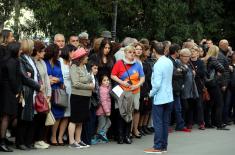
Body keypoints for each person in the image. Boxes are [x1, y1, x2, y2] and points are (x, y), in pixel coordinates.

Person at [111, 45, 145, 144]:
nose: (132, 54)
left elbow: (142, 77)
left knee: (131, 113)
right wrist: (122, 82)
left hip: (135, 91)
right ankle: (120, 136)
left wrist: (137, 85)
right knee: (122, 113)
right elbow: (113, 75)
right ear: (125, 53)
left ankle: (127, 135)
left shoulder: (138, 64)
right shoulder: (119, 63)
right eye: (130, 52)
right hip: (123, 92)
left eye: (133, 52)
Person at [144, 42, 173, 154]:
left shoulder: (158, 64)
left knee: (158, 122)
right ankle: (163, 146)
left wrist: (150, 94)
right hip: (169, 96)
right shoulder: (169, 61)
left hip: (160, 97)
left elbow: (156, 84)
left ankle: (157, 146)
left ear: (154, 51)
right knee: (165, 122)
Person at [16, 39, 42, 150]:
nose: (33, 49)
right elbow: (25, 77)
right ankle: (20, 142)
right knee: (23, 118)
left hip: (34, 92)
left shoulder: (30, 59)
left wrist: (40, 82)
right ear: (28, 47)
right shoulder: (21, 59)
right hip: (27, 91)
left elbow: (36, 74)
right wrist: (38, 86)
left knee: (32, 118)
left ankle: (28, 141)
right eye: (32, 47)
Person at [68, 48, 94, 148]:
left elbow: (84, 79)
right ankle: (71, 141)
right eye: (85, 56)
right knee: (74, 119)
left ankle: (78, 140)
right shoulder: (74, 66)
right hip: (77, 96)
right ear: (81, 58)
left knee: (81, 120)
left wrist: (86, 79)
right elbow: (75, 83)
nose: (87, 57)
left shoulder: (84, 67)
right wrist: (89, 85)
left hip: (85, 96)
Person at [0, 42, 22, 152]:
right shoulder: (13, 62)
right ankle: (2, 141)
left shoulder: (6, 60)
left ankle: (3, 139)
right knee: (6, 116)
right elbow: (13, 79)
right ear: (14, 50)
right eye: (19, 49)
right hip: (9, 91)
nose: (21, 51)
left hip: (5, 90)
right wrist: (17, 91)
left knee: (7, 116)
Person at [44, 44, 65, 145]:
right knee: (46, 113)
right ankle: (44, 137)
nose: (59, 54)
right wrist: (48, 80)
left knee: (58, 114)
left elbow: (61, 77)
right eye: (58, 52)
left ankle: (53, 136)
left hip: (56, 91)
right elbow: (42, 75)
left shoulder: (58, 63)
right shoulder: (44, 61)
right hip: (46, 91)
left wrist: (57, 79)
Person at [32, 41, 51, 149]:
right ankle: (35, 140)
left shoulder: (42, 62)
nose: (44, 53)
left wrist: (49, 94)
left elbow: (46, 79)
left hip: (44, 94)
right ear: (37, 52)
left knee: (42, 117)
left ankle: (40, 139)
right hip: (37, 94)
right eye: (43, 51)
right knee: (36, 118)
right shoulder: (32, 62)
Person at [58, 45, 76, 145]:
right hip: (61, 90)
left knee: (66, 115)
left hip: (71, 89)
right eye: (73, 51)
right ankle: (54, 136)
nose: (74, 53)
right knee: (59, 115)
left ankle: (61, 137)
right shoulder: (60, 61)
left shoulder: (72, 63)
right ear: (68, 52)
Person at [95, 75, 111, 143]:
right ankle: (97, 137)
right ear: (101, 82)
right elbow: (103, 101)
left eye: (107, 80)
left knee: (108, 123)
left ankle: (101, 135)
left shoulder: (107, 88)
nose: (107, 81)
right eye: (104, 80)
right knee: (101, 125)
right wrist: (107, 111)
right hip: (102, 111)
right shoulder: (102, 90)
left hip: (105, 111)